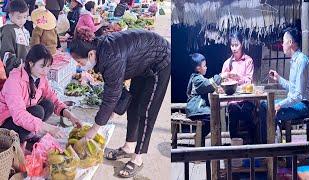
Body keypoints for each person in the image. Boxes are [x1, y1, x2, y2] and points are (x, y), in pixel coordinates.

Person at [68, 27, 170, 178]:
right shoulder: (100, 50)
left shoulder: (110, 56)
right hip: (143, 64)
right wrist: (112, 111)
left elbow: (111, 96)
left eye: (79, 61)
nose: (79, 65)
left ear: (90, 54)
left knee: (146, 113)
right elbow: (114, 87)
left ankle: (138, 158)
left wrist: (92, 132)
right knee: (133, 106)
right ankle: (128, 147)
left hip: (160, 62)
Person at [0, 44, 82, 147]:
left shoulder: (41, 78)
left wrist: (69, 115)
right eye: (42, 66)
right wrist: (47, 128)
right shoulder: (15, 81)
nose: (45, 71)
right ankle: (17, 140)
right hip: (5, 124)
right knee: (38, 111)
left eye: (48, 67)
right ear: (30, 63)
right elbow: (19, 115)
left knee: (49, 104)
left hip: (22, 116)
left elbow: (53, 98)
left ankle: (28, 134)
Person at [259, 27, 309, 144]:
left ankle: (269, 147)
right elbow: (293, 87)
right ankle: (267, 144)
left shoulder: (301, 61)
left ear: (290, 42)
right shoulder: (295, 60)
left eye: (283, 41)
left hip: (302, 106)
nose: (282, 44)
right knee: (263, 105)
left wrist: (280, 105)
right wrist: (278, 78)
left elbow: (298, 95)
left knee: (269, 109)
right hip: (296, 102)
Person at [220, 31, 256, 144]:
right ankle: (233, 143)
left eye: (237, 45)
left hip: (246, 98)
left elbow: (249, 80)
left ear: (242, 44)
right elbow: (222, 81)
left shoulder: (248, 61)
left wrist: (238, 77)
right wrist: (225, 78)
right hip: (233, 99)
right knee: (233, 110)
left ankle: (253, 144)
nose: (234, 48)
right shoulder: (227, 63)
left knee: (247, 112)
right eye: (232, 45)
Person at [185, 53, 222, 146]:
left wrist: (218, 88)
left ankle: (199, 137)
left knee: (212, 118)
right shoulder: (197, 79)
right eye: (204, 66)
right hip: (195, 108)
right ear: (198, 68)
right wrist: (221, 76)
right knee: (212, 118)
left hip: (198, 108)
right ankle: (200, 137)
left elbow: (209, 85)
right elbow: (209, 84)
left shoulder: (199, 78)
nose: (206, 67)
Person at [0, 0, 30, 76]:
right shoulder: (8, 30)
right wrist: (19, 64)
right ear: (10, 15)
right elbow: (6, 54)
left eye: (25, 17)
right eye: (18, 18)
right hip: (14, 72)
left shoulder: (25, 30)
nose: (22, 20)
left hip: (24, 69)